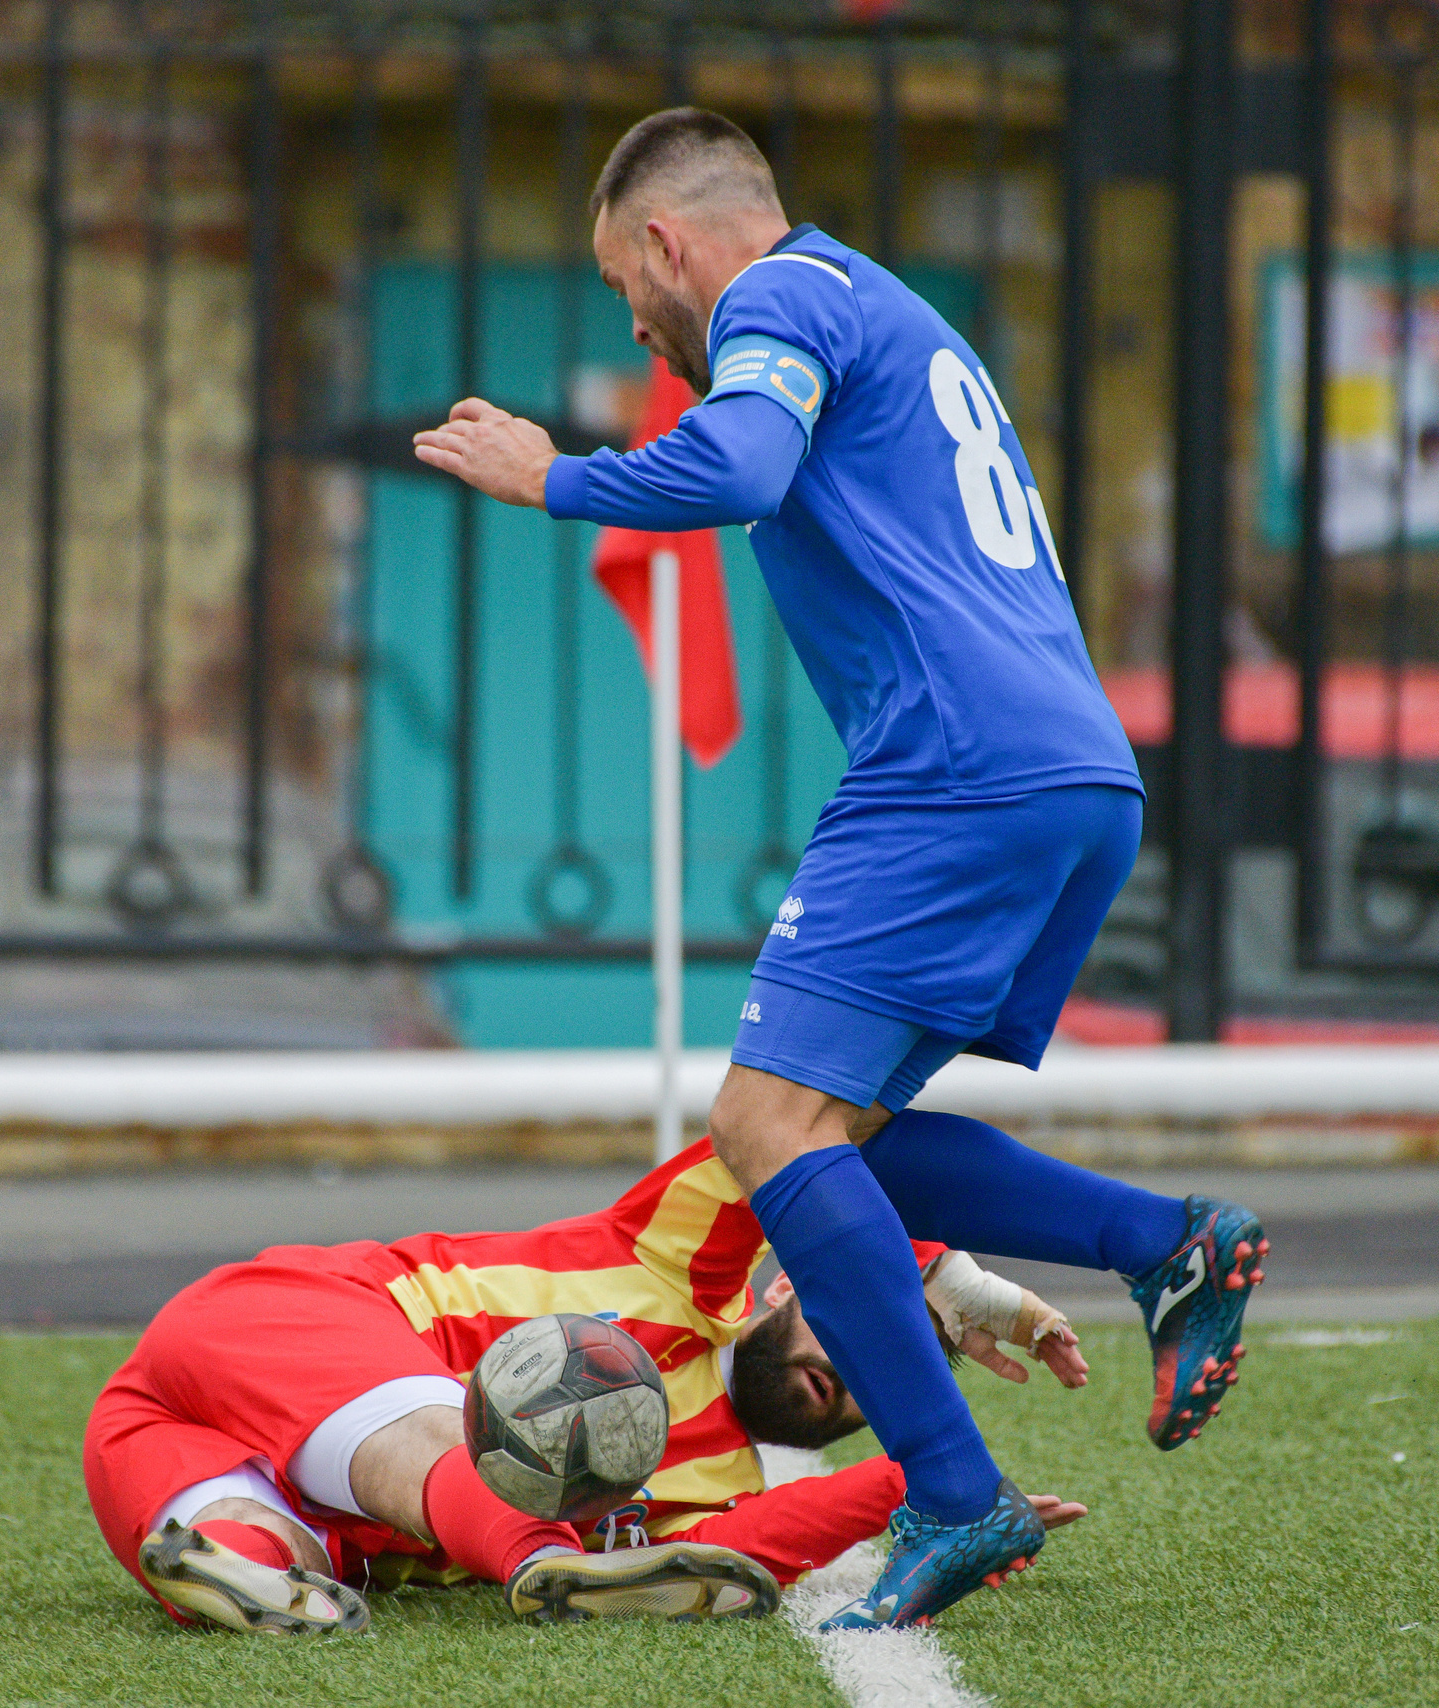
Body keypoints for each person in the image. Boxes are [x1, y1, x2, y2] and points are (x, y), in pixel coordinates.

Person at [412, 107, 1269, 1630]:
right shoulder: (894, 309)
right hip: (1070, 774)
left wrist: (555, 478)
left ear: (673, 244)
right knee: (833, 1143)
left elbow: (737, 464)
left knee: (759, 1119)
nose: (638, 321)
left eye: (629, 286)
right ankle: (1166, 1243)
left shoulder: (781, 296)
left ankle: (957, 1492)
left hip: (953, 771)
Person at [81, 1137, 1088, 1635]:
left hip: (204, 1442)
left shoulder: (716, 1483)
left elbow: (728, 1556)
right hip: (293, 1316)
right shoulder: (674, 1257)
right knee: (442, 1433)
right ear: (795, 1278)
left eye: (889, 1382)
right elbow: (789, 1141)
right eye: (866, 1329)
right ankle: (530, 1555)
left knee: (258, 1542)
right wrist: (945, 1274)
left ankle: (236, 1562)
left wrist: (923, 1486)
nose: (859, 1376)